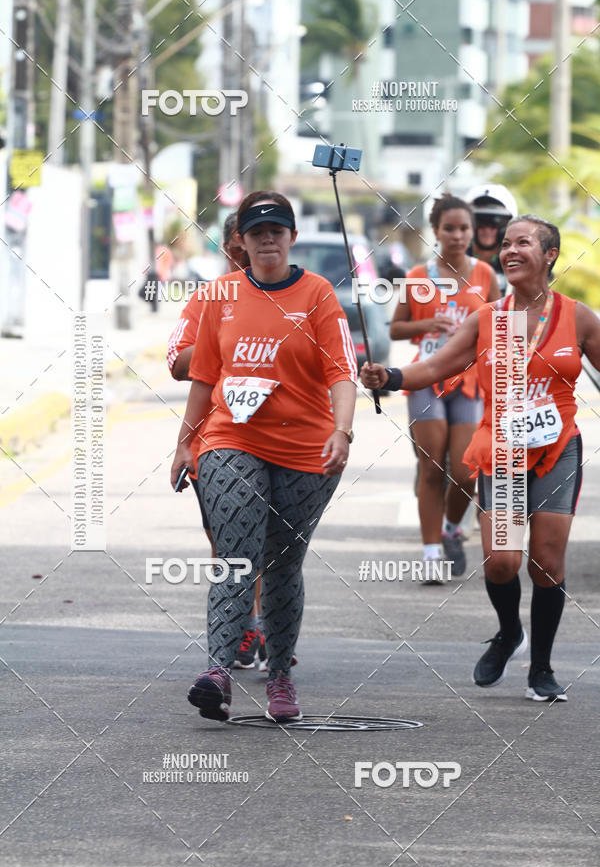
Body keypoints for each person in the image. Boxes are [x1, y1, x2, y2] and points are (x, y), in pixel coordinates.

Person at [361, 214, 600, 701]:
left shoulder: (577, 317)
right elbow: (434, 365)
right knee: (501, 563)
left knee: (548, 561)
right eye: (506, 244)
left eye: (523, 243)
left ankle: (542, 670)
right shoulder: (491, 317)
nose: (510, 251)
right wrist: (388, 376)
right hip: (505, 451)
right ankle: (510, 632)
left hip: (557, 448)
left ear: (549, 254)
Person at [170, 190, 357, 722]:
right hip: (234, 439)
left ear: (292, 237)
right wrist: (185, 442)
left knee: (281, 564)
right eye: (258, 232)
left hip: (306, 447)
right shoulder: (220, 296)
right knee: (235, 553)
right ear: (242, 242)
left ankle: (279, 676)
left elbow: (341, 373)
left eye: (277, 230)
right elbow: (204, 378)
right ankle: (218, 672)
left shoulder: (318, 295)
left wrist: (342, 432)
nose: (268, 239)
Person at [167, 214, 266, 670]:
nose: (244, 253)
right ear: (230, 245)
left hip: (278, 436)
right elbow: (177, 361)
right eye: (237, 244)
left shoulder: (292, 296)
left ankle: (265, 627)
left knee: (268, 540)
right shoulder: (211, 297)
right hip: (218, 437)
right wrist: (225, 342)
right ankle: (242, 626)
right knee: (227, 537)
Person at [389, 194, 499, 579]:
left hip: (469, 382)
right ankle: (432, 553)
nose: (457, 235)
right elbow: (396, 327)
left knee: (468, 471)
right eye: (449, 228)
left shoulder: (485, 275)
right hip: (426, 380)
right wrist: (427, 326)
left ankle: (453, 528)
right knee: (432, 467)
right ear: (435, 231)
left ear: (472, 232)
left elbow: (500, 325)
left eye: (464, 228)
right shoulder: (418, 277)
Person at [466, 183, 518, 295]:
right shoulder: (454, 262)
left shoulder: (519, 267)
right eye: (481, 222)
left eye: (494, 223)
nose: (487, 229)